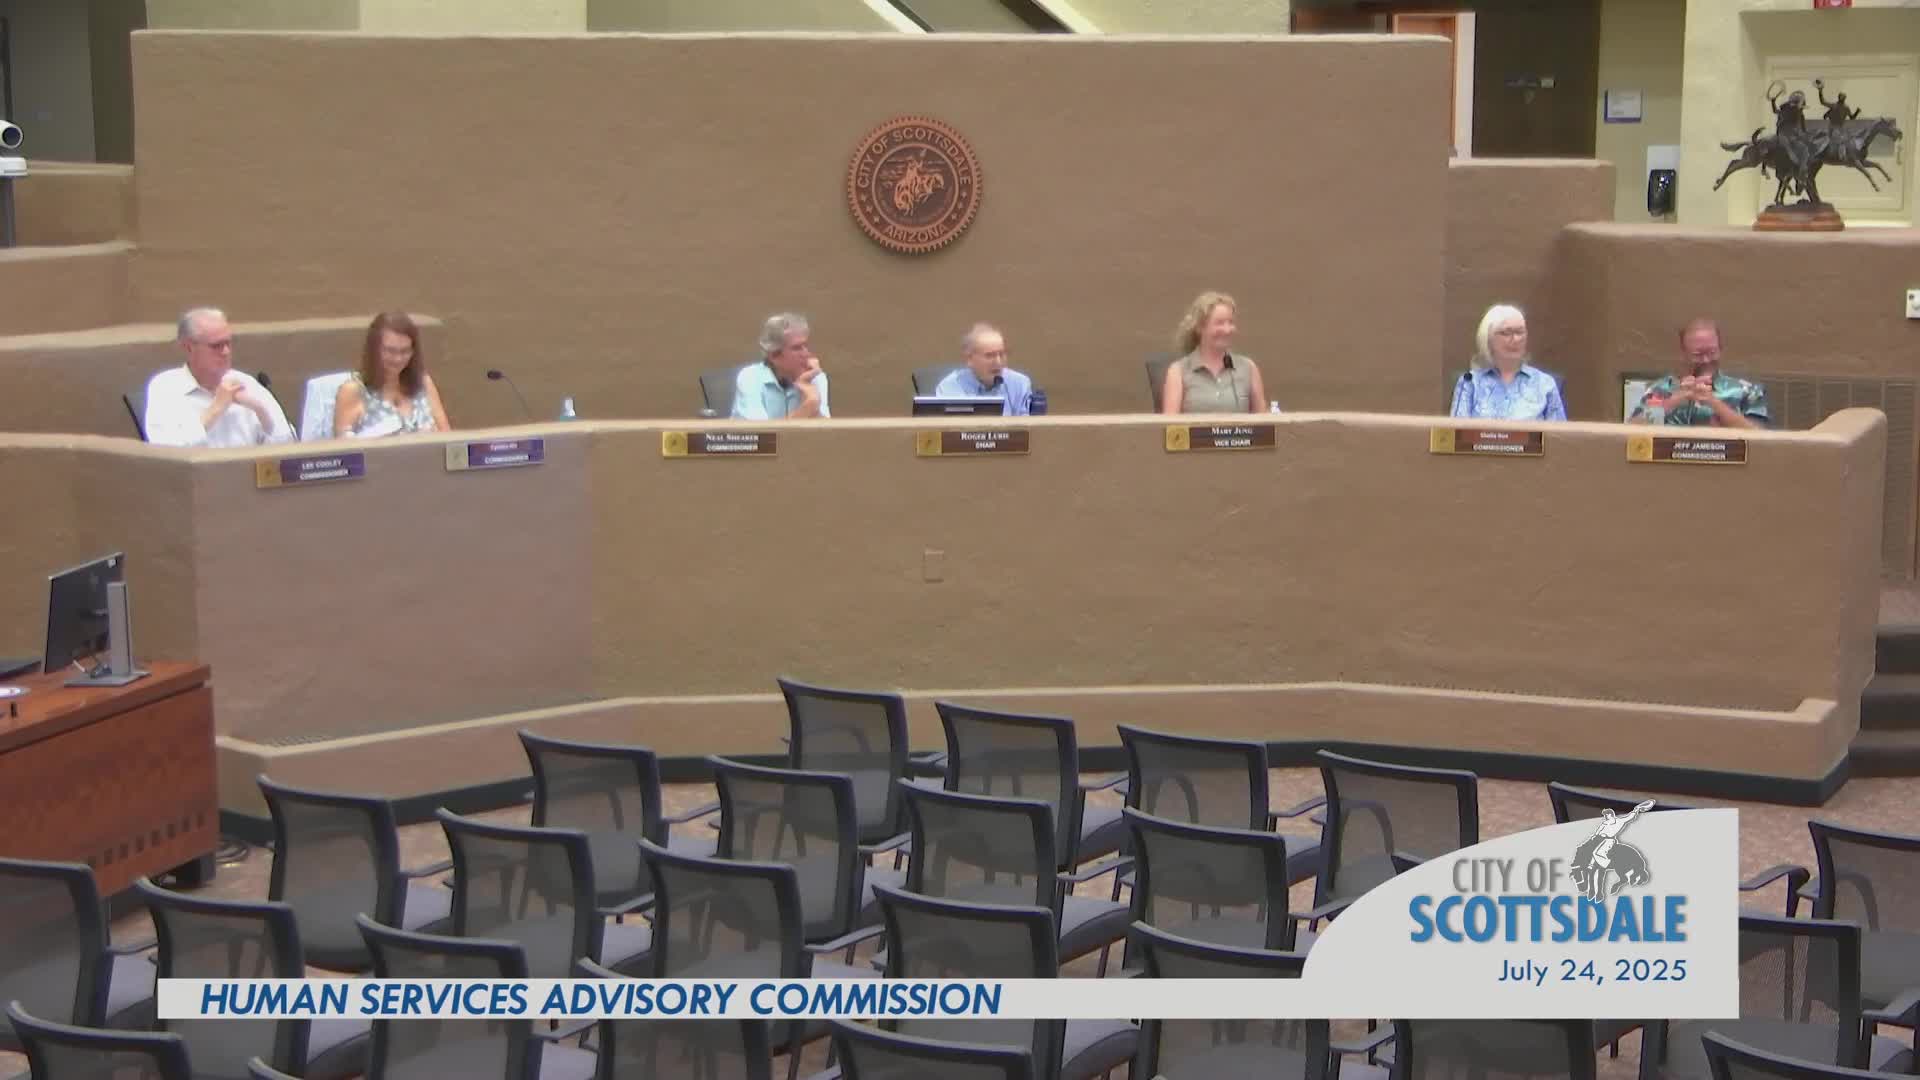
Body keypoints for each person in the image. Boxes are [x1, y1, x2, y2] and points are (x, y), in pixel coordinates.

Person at [142, 307, 295, 448]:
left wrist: (260, 410)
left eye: (228, 343)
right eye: (216, 346)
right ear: (188, 348)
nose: (226, 352)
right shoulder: (166, 387)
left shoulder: (246, 382)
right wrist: (216, 408)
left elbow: (289, 448)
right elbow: (167, 450)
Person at [1628, 318, 1769, 429]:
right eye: (1697, 354)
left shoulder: (1748, 392)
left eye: (1712, 352)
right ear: (1684, 353)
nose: (1706, 360)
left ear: (1720, 349)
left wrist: (1714, 402)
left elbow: (1760, 437)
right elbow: (1631, 431)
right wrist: (1675, 399)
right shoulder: (1659, 390)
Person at [332, 311, 451, 438]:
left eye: (405, 351)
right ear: (374, 349)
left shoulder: (423, 383)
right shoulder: (353, 391)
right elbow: (344, 446)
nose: (398, 359)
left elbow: (447, 437)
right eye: (390, 351)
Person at [1449, 304, 1566, 421]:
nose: (1515, 339)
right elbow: (1457, 429)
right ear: (1488, 339)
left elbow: (1559, 431)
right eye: (1506, 333)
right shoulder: (1469, 382)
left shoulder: (1545, 383)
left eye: (1520, 332)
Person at [1160, 291, 1269, 415]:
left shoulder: (1248, 367)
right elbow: (1170, 423)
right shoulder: (1178, 371)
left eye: (1231, 322)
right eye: (1220, 323)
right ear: (1200, 327)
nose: (1227, 330)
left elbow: (1263, 420)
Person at [733, 313, 829, 420]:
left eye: (805, 346)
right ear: (774, 355)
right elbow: (761, 430)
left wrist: (809, 396)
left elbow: (826, 429)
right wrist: (810, 404)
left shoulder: (815, 377)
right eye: (797, 348)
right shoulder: (750, 377)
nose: (806, 353)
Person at [933, 323, 1034, 415]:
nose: (998, 362)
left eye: (1002, 354)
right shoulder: (950, 387)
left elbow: (1028, 427)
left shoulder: (1020, 384)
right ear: (969, 359)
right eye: (990, 356)